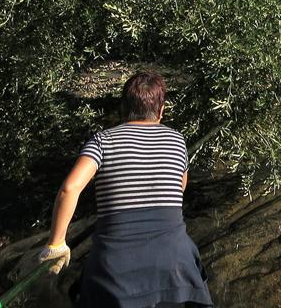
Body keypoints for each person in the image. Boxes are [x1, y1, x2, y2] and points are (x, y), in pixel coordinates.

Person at [34, 71, 213, 308]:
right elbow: (180, 188)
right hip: (175, 268)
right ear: (161, 111)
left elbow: (70, 188)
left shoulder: (102, 141)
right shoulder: (177, 141)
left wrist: (56, 244)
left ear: (123, 107)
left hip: (114, 273)